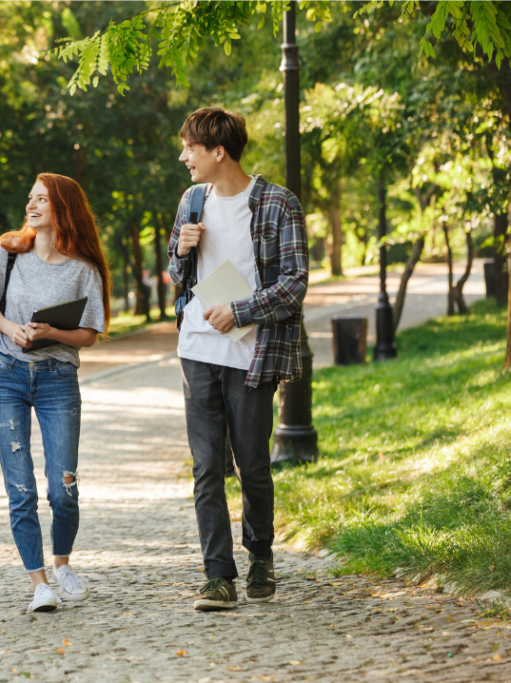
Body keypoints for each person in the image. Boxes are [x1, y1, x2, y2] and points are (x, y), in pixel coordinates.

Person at [168, 107, 309, 611]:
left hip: (253, 353)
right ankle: (217, 576)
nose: (183, 156)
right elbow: (175, 272)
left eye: (190, 148)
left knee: (251, 464)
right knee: (207, 467)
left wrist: (241, 309)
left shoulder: (276, 203)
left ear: (218, 151)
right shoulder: (191, 200)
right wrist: (181, 252)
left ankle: (260, 555)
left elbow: (294, 284)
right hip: (197, 350)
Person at [0, 173, 111, 613]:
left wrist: (51, 330)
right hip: (7, 375)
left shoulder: (84, 269)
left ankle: (63, 563)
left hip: (57, 379)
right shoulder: (9, 252)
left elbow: (89, 334)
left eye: (42, 199)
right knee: (21, 490)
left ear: (63, 208)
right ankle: (39, 582)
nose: (31, 205)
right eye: (30, 198)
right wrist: (12, 328)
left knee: (63, 487)